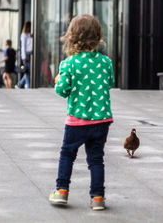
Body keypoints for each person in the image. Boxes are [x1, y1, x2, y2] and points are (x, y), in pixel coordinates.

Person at [49, 14, 114, 211]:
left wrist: (59, 79)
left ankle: (61, 191)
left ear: (71, 36)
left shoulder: (69, 63)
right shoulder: (106, 62)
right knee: (96, 158)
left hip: (77, 120)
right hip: (101, 120)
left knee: (67, 154)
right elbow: (109, 83)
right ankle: (98, 198)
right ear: (98, 36)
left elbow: (62, 90)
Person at [18, 22, 33, 88]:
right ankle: (28, 86)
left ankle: (20, 84)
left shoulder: (29, 35)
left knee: (28, 70)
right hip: (26, 55)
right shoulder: (24, 35)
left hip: (31, 54)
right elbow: (23, 46)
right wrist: (23, 56)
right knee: (27, 71)